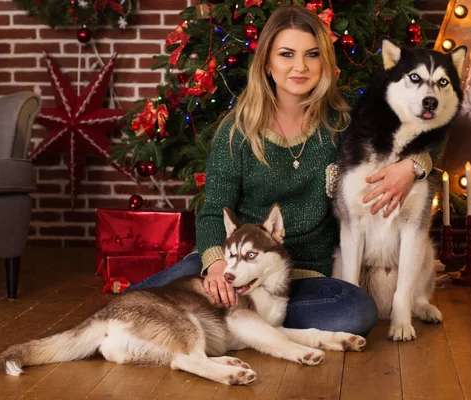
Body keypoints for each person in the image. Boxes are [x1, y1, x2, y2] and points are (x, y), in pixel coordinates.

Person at [126, 6, 432, 337]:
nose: (300, 66)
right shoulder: (238, 132)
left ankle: (241, 323)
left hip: (305, 277)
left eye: (312, 55)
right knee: (132, 306)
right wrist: (215, 266)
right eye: (287, 54)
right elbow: (213, 211)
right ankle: (235, 321)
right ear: (268, 63)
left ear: (324, 64)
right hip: (236, 266)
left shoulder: (345, 123)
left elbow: (426, 128)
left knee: (357, 312)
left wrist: (412, 166)